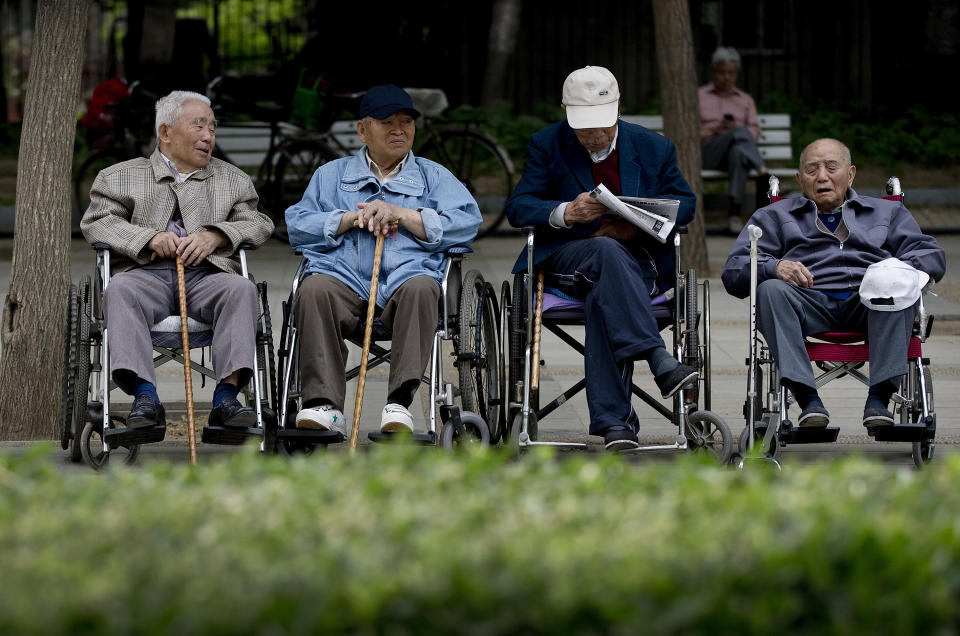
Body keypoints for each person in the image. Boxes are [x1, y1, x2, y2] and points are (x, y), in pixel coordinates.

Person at [504, 65, 700, 452]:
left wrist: (633, 227)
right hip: (568, 259)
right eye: (583, 129)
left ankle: (616, 426)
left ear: (617, 108)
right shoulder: (547, 143)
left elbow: (686, 204)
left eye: (601, 126)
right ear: (565, 110)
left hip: (637, 260)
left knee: (603, 292)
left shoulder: (653, 146)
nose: (593, 136)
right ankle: (656, 356)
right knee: (605, 253)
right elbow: (519, 206)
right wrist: (565, 212)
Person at [286, 84, 481, 435]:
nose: (398, 130)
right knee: (313, 290)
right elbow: (297, 224)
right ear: (362, 130)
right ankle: (322, 405)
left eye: (406, 122)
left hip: (406, 281)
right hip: (343, 278)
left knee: (424, 287)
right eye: (387, 122)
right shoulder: (331, 176)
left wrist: (404, 214)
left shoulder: (433, 176)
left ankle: (399, 404)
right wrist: (346, 219)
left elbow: (467, 223)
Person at [81, 90, 274, 430]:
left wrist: (216, 235)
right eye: (199, 126)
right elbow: (97, 222)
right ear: (166, 132)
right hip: (145, 273)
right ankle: (144, 397)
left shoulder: (232, 179)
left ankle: (226, 399)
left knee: (242, 290)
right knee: (119, 290)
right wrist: (148, 238)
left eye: (212, 128)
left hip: (207, 275)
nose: (208, 136)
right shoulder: (118, 177)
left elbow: (259, 223)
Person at [721, 138, 945, 429]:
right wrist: (774, 266)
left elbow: (930, 254)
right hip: (807, 301)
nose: (822, 176)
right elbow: (735, 270)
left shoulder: (886, 213)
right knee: (770, 288)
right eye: (812, 170)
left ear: (850, 174)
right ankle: (807, 399)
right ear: (800, 180)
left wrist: (896, 270)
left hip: (870, 303)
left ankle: (879, 398)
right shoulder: (774, 216)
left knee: (896, 286)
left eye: (831, 167)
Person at [699, 46, 769, 234]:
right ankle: (764, 174)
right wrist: (716, 130)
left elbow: (754, 131)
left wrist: (737, 132)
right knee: (738, 133)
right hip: (708, 153)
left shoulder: (745, 100)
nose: (727, 77)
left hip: (735, 156)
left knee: (738, 150)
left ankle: (734, 215)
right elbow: (690, 135)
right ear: (713, 72)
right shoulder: (700, 96)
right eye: (722, 73)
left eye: (731, 73)